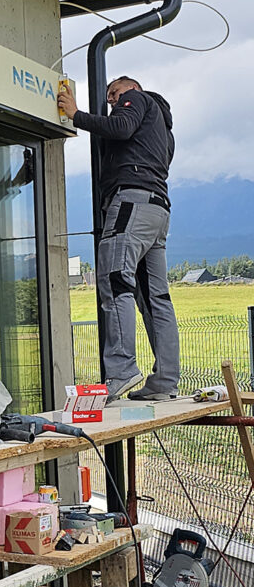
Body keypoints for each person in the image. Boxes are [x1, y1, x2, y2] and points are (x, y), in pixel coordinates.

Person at [57, 76, 180, 402]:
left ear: (132, 89)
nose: (112, 101)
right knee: (157, 298)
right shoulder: (164, 132)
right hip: (157, 211)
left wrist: (75, 115)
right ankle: (166, 380)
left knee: (114, 281)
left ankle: (122, 369)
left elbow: (122, 127)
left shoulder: (138, 101)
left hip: (131, 205)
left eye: (115, 94)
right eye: (110, 96)